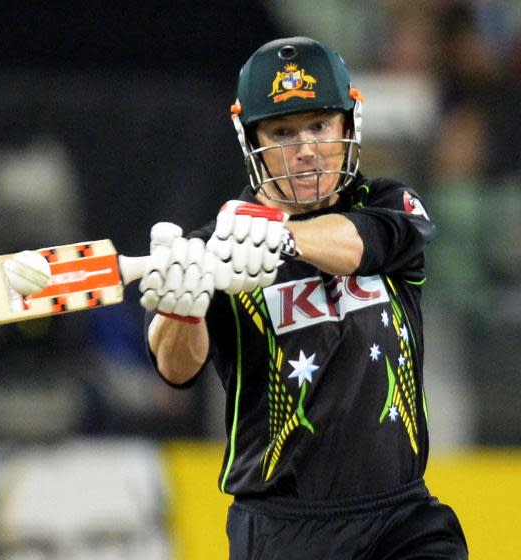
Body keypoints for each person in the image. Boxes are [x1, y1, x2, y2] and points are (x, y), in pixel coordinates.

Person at [139, 36, 468, 559]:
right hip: (282, 528)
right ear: (252, 139)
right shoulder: (213, 248)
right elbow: (176, 369)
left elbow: (358, 243)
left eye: (319, 125)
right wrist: (182, 307)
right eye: (284, 132)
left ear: (348, 124)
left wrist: (279, 235)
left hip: (404, 518)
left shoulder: (389, 204)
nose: (306, 148)